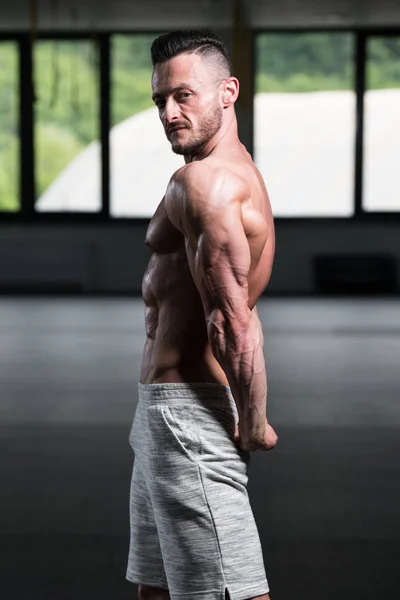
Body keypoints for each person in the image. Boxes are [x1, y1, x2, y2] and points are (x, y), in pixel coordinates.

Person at [126, 30, 277, 600]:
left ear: (227, 93)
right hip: (163, 416)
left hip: (188, 416)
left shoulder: (207, 184)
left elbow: (232, 320)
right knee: (160, 587)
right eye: (160, 100)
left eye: (183, 96)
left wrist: (254, 424)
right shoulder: (223, 171)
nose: (168, 112)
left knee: (231, 591)